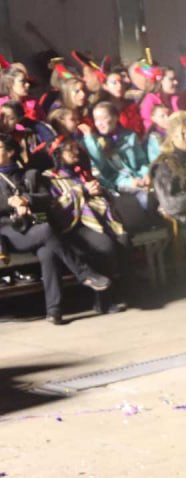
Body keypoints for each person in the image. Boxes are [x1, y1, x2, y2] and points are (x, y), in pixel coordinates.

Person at [0, 133, 110, 323]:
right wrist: (11, 203)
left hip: (34, 225)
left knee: (48, 252)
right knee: (46, 230)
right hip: (10, 231)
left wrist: (27, 199)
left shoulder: (30, 174)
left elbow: (47, 199)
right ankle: (84, 273)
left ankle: (54, 310)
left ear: (10, 152)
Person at [44, 140, 128, 314]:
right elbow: (55, 207)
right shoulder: (49, 177)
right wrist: (82, 190)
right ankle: (104, 299)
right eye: (70, 149)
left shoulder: (82, 173)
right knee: (104, 245)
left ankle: (115, 295)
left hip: (96, 219)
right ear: (58, 154)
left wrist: (99, 191)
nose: (75, 152)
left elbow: (103, 195)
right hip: (72, 225)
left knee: (123, 238)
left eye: (76, 148)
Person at [83, 101, 152, 211]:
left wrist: (146, 174)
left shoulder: (129, 136)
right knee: (144, 200)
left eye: (104, 118)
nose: (100, 123)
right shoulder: (93, 143)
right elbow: (102, 173)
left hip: (139, 179)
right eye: (96, 120)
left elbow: (142, 161)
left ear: (115, 118)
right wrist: (129, 183)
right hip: (117, 187)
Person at [148, 111, 186, 239]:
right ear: (172, 136)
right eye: (183, 134)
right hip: (183, 219)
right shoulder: (165, 164)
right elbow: (169, 204)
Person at [140, 67, 186, 132]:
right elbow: (149, 126)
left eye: (176, 79)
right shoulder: (150, 101)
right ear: (161, 81)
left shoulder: (178, 97)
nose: (176, 82)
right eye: (171, 79)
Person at [100, 70, 146, 135]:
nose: (119, 86)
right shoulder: (103, 108)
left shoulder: (132, 102)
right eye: (114, 83)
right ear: (105, 86)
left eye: (121, 82)